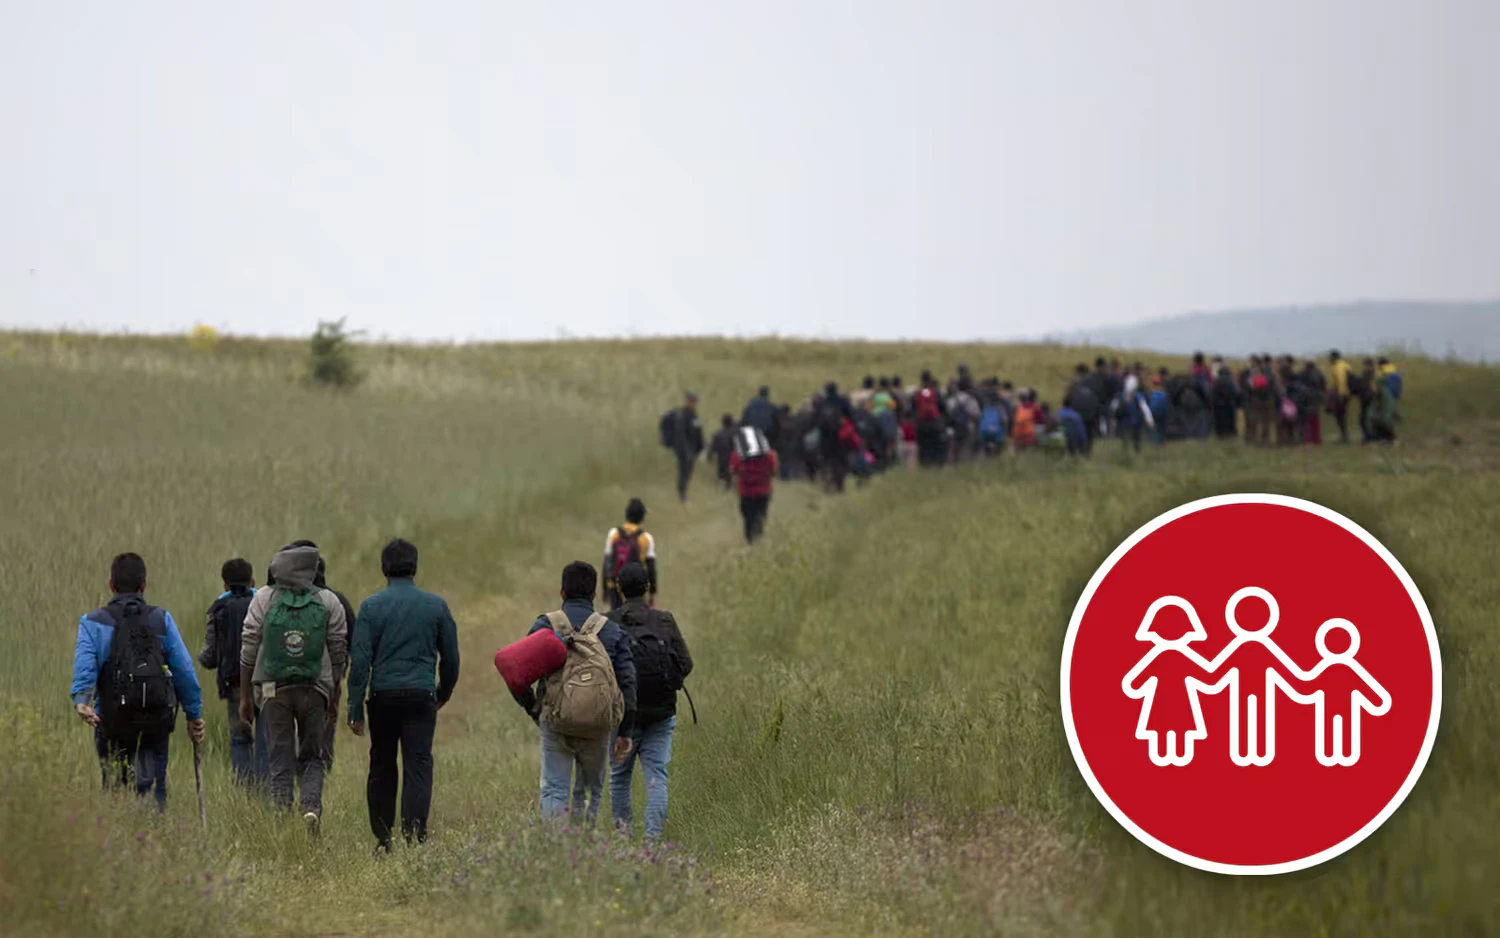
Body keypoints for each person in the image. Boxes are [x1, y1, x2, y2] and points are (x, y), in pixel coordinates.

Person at [346, 538, 460, 851]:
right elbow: (450, 657)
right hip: (421, 695)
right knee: (418, 763)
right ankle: (414, 837)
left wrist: (355, 709)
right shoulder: (436, 605)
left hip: (383, 697)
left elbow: (359, 665)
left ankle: (384, 838)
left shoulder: (371, 607)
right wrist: (443, 691)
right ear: (415, 566)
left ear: (384, 568)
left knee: (382, 764)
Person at [72, 552, 206, 811]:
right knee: (154, 792)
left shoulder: (92, 623)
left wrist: (82, 701)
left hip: (110, 721)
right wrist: (194, 714)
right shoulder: (161, 619)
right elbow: (184, 671)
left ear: (111, 584)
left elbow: (85, 667)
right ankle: (152, 838)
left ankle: (118, 841)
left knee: (114, 791)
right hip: (155, 720)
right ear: (144, 584)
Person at [512, 562, 637, 824]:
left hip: (555, 721)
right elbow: (628, 682)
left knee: (555, 788)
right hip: (598, 725)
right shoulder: (612, 631)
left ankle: (556, 850)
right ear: (594, 595)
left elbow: (517, 672)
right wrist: (624, 731)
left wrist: (534, 708)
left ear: (562, 592)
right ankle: (585, 853)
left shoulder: (545, 625)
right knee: (591, 791)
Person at [238, 542, 349, 834]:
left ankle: (281, 821)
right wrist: (334, 695)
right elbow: (338, 651)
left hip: (273, 689)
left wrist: (245, 696)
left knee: (279, 756)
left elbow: (248, 647)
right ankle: (310, 808)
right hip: (315, 689)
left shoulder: (263, 597)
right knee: (313, 755)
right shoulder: (328, 601)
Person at [607, 563, 693, 843]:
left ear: (618, 588)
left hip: (622, 719)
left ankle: (623, 840)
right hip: (661, 714)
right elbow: (686, 663)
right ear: (647, 588)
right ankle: (652, 844)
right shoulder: (664, 620)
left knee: (619, 778)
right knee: (657, 776)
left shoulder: (607, 623)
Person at [281, 538, 356, 776]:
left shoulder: (285, 601)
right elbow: (351, 644)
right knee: (324, 730)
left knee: (291, 730)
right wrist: (340, 674)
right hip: (327, 680)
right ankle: (320, 773)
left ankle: (292, 775)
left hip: (287, 677)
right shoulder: (338, 601)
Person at [198, 558, 265, 788]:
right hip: (266, 683)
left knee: (240, 739)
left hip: (235, 685)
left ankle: (245, 792)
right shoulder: (265, 604)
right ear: (252, 581)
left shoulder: (219, 610)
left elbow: (210, 657)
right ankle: (268, 790)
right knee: (266, 737)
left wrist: (202, 658)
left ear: (225, 585)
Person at [603, 499, 658, 610]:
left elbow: (607, 563)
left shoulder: (614, 534)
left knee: (616, 619)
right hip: (636, 589)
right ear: (642, 517)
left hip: (615, 586)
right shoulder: (646, 538)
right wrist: (652, 594)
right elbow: (651, 569)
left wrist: (605, 590)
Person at [730, 426, 778, 543]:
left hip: (746, 492)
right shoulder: (770, 454)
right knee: (760, 516)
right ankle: (758, 538)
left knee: (748, 518)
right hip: (764, 491)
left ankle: (750, 541)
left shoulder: (738, 454)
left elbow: (733, 471)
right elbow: (774, 471)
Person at [661, 392, 705, 502]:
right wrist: (668, 440)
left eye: (694, 402)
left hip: (690, 448)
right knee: (684, 471)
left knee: (687, 471)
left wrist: (701, 448)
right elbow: (665, 423)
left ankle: (683, 493)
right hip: (683, 448)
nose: (693, 404)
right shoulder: (678, 414)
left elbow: (698, 433)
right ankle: (682, 495)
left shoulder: (693, 416)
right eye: (691, 401)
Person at [1327, 350, 1353, 443]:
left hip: (1341, 394)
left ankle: (1344, 437)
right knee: (1340, 415)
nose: (1329, 359)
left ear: (1334, 357)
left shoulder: (1339, 367)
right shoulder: (1343, 365)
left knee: (1340, 416)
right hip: (1343, 393)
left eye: (1330, 357)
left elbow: (1341, 382)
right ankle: (1344, 436)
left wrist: (1341, 395)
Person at [1210, 367, 1241, 439]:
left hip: (1218, 405)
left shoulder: (1217, 381)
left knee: (1219, 422)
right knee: (1231, 421)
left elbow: (1213, 393)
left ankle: (1220, 435)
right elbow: (1237, 392)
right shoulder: (1232, 381)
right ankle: (1231, 435)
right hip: (1230, 404)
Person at [710, 415, 737, 490]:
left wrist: (710, 456)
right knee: (729, 474)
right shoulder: (734, 433)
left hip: (721, 458)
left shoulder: (717, 434)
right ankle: (727, 487)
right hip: (730, 457)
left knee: (721, 473)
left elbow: (713, 447)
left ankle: (720, 486)